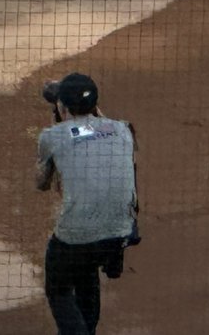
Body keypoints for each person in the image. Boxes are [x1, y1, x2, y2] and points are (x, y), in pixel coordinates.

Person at [36, 72, 138, 335]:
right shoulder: (124, 128)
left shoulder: (53, 136)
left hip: (75, 237)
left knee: (58, 287)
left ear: (62, 106)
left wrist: (59, 123)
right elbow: (99, 126)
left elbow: (41, 183)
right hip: (118, 234)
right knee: (85, 268)